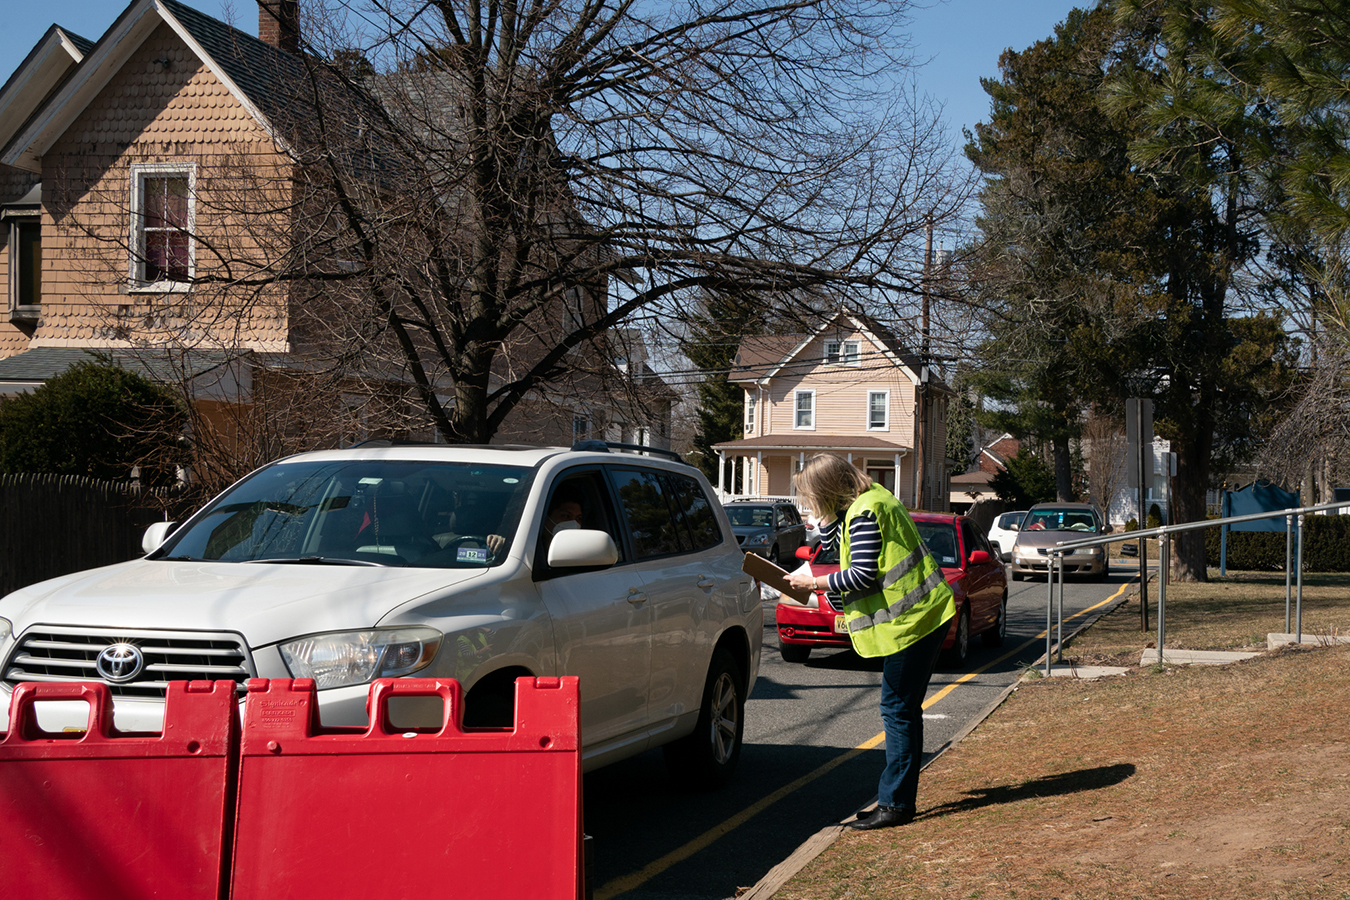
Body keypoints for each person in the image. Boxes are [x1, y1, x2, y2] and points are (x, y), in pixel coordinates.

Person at [787, 454, 956, 830]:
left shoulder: (864, 513)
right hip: (924, 615)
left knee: (897, 710)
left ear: (828, 490)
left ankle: (895, 805)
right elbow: (843, 547)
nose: (809, 504)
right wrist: (827, 520)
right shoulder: (872, 499)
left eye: (812, 496)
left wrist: (811, 583)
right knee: (904, 710)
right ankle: (897, 800)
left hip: (912, 623)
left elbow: (861, 574)